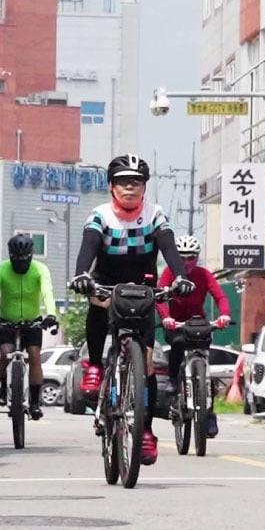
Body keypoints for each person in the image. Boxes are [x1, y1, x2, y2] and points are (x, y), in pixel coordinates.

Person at [69, 154, 194, 465]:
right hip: (107, 284)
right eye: (123, 181)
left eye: (136, 182)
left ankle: (147, 431)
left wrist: (180, 277)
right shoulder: (99, 215)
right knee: (97, 301)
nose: (129, 187)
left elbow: (169, 247)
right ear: (111, 186)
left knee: (148, 366)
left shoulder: (155, 214)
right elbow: (88, 247)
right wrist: (82, 275)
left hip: (144, 288)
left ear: (144, 187)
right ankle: (96, 365)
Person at [155, 234, 232, 439]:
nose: (186, 262)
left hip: (199, 323)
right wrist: (166, 317)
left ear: (197, 257)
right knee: (178, 344)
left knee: (206, 369)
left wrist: (224, 315)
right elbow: (160, 297)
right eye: (182, 257)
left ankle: (209, 412)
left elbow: (220, 296)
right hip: (176, 324)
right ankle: (173, 380)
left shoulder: (204, 274)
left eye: (191, 257)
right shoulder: (169, 273)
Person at [0, 234, 59, 419]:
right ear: (11, 256)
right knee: (5, 353)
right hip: (7, 320)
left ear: (30, 256)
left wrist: (52, 314)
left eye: (24, 260)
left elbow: (47, 292)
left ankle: (36, 402)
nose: (20, 264)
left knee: (35, 355)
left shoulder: (40, 269)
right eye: (16, 259)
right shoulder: (1, 269)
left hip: (32, 321)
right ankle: (4, 389)